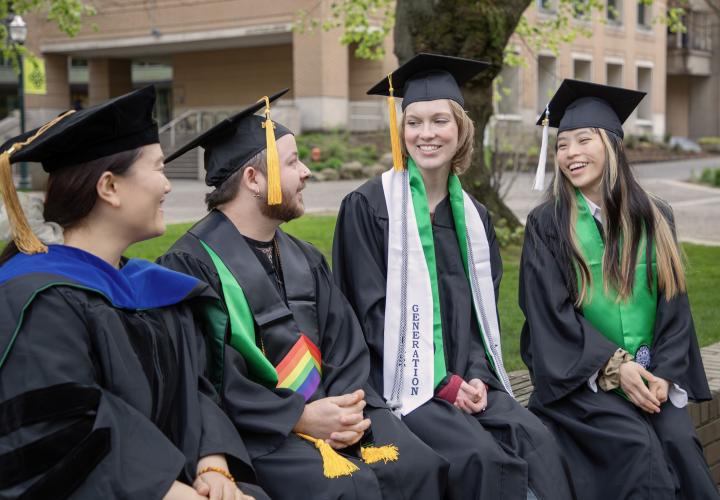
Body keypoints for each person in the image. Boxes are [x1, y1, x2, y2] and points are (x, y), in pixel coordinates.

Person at [157, 91, 448, 500]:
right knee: (347, 489)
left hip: (337, 414)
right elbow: (204, 376)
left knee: (417, 466)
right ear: (253, 179)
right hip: (258, 430)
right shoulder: (190, 265)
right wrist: (300, 416)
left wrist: (344, 409)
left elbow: (345, 344)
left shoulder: (304, 258)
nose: (307, 172)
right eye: (293, 162)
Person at [0, 87, 264, 500]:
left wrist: (214, 464)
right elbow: (58, 439)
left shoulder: (153, 289)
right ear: (110, 187)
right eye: (159, 168)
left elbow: (195, 389)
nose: (168, 185)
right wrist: (171, 492)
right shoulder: (40, 299)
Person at [331, 53, 574, 500]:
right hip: (397, 383)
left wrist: (477, 375)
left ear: (461, 129)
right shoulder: (369, 209)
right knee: (481, 457)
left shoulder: (476, 219)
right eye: (414, 122)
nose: (426, 134)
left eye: (440, 120)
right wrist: (441, 380)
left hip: (467, 378)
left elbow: (483, 320)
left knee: (537, 440)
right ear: (400, 131)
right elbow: (365, 315)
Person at [519, 79, 717, 499]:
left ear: (613, 145)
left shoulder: (656, 215)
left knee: (681, 444)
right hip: (581, 382)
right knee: (638, 448)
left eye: (583, 141)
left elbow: (674, 309)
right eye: (562, 144)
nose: (571, 154)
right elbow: (548, 314)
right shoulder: (547, 224)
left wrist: (663, 374)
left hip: (651, 376)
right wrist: (614, 368)